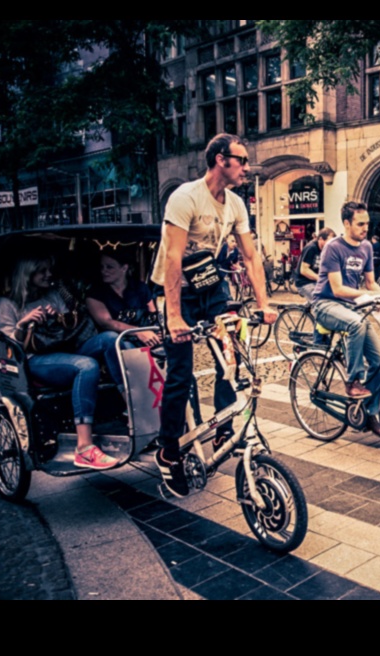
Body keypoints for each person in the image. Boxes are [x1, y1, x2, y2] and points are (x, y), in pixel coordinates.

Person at [151, 133, 275, 498]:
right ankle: (168, 448)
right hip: (178, 293)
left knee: (231, 357)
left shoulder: (236, 203)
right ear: (221, 159)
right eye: (242, 160)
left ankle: (223, 425)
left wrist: (264, 304)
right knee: (181, 373)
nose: (247, 168)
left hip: (209, 287)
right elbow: (172, 258)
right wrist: (174, 316)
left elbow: (251, 257)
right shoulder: (185, 197)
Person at [0, 257, 120, 471]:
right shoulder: (6, 303)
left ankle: (129, 405)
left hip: (66, 350)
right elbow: (10, 348)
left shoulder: (53, 295)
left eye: (49, 270)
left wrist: (60, 317)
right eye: (41, 271)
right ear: (27, 274)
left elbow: (71, 327)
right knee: (87, 365)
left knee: (110, 338)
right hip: (35, 360)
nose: (48, 275)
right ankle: (84, 448)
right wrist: (24, 323)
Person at [312, 202, 380, 437]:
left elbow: (370, 283)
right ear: (346, 223)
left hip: (350, 306)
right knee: (356, 325)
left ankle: (369, 411)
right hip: (325, 304)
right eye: (360, 224)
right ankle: (352, 380)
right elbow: (336, 289)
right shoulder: (333, 248)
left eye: (367, 223)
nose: (366, 228)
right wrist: (369, 295)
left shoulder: (366, 247)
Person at [86, 248, 162, 348]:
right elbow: (106, 323)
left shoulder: (140, 288)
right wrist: (138, 332)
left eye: (109, 267)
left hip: (145, 335)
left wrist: (157, 332)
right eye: (102, 267)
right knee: (127, 347)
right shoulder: (95, 293)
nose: (104, 271)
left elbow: (153, 313)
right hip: (115, 340)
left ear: (124, 268)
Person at [293, 229, 336, 301]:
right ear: (321, 239)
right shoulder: (311, 248)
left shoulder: (326, 249)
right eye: (329, 241)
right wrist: (320, 278)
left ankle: (307, 309)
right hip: (304, 283)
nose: (331, 244)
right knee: (321, 303)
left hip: (315, 282)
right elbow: (304, 270)